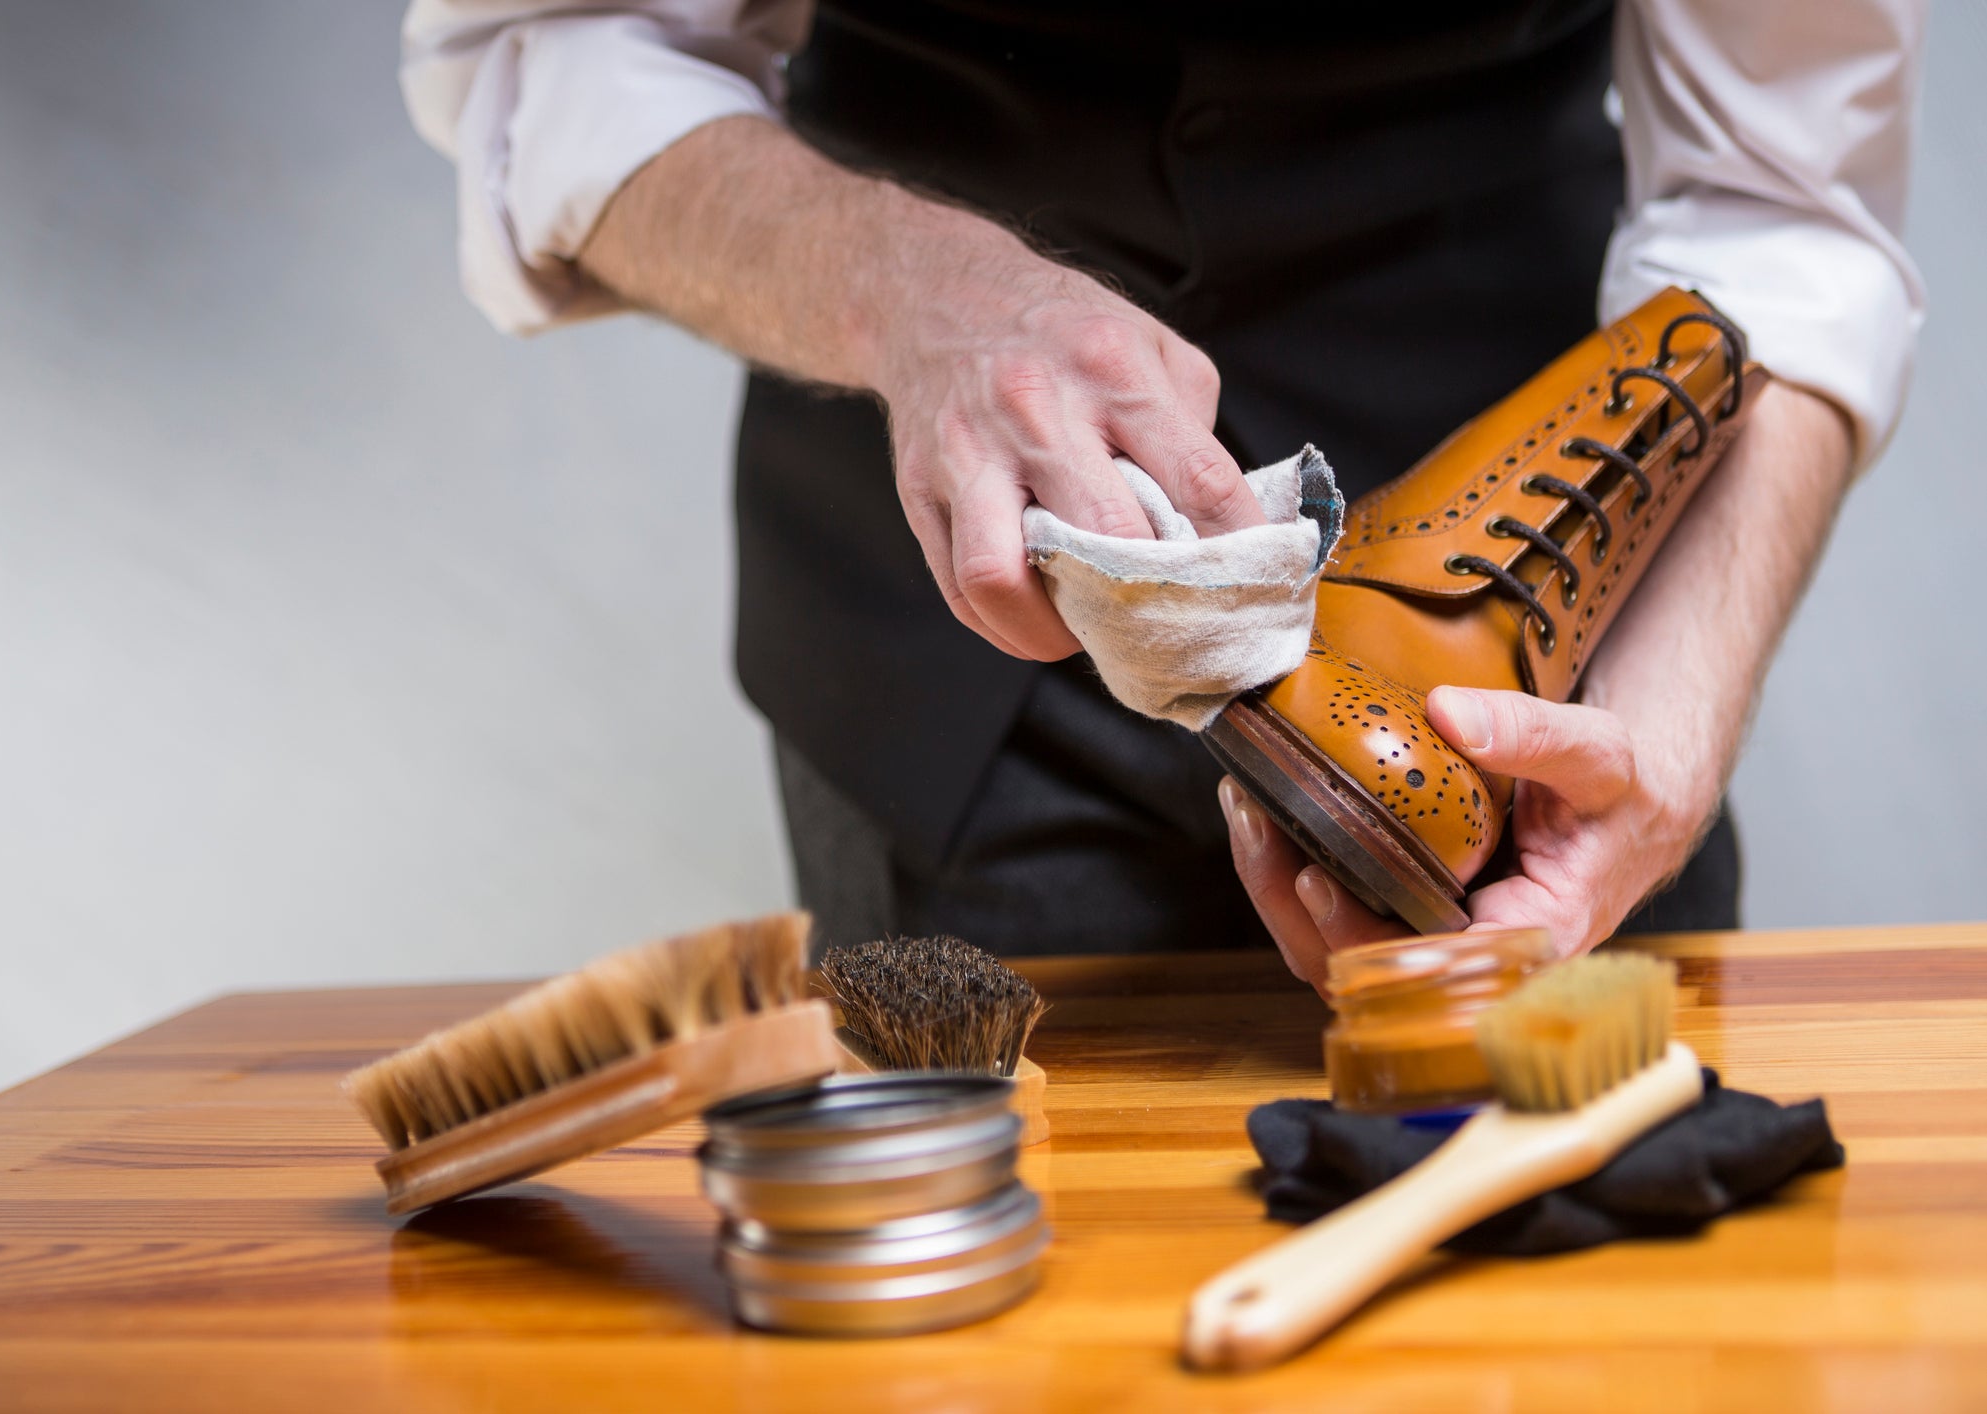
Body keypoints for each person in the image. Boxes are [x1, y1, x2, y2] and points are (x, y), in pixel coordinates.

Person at [397, 1, 1921, 979]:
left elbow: (1781, 215)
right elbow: (570, 52)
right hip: (957, 669)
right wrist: (902, 291)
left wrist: (1670, 711)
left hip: (1539, 684)